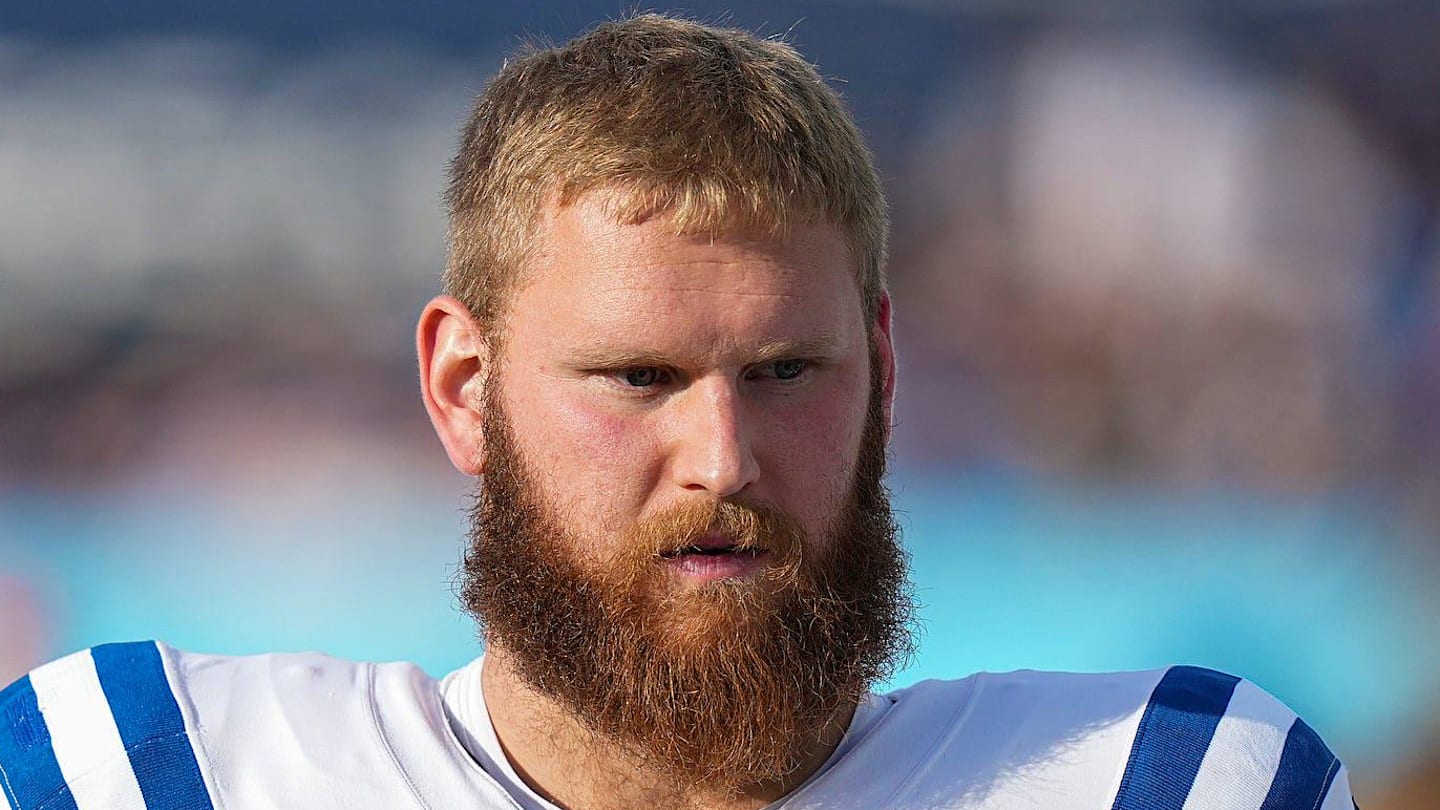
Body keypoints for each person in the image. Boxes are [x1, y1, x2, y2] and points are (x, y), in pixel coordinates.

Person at [0, 14, 1356, 810]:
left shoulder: (1173, 783)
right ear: (463, 388)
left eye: (785, 371)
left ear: (881, 367)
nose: (722, 457)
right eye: (638, 377)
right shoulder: (137, 771)